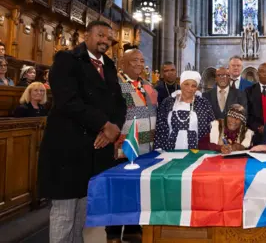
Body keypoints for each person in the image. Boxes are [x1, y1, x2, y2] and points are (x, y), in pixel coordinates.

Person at [37, 20, 127, 243]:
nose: (105, 40)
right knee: (64, 213)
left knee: (82, 214)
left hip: (95, 150)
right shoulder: (67, 59)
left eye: (109, 37)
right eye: (100, 35)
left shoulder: (108, 65)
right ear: (86, 35)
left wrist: (113, 128)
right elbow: (68, 101)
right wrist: (103, 125)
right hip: (68, 148)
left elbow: (119, 102)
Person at [106, 48, 157, 243]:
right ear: (123, 63)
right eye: (134, 60)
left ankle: (133, 229)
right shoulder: (115, 86)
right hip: (123, 148)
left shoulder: (147, 85)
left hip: (146, 149)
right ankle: (113, 233)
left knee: (137, 191)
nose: (139, 63)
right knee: (119, 191)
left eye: (142, 60)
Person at [153, 70, 215, 150]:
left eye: (194, 86)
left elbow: (211, 127)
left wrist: (214, 146)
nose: (190, 88)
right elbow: (160, 128)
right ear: (181, 84)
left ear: (197, 88)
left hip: (196, 150)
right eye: (186, 84)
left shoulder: (203, 103)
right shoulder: (168, 102)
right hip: (170, 149)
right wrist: (158, 149)